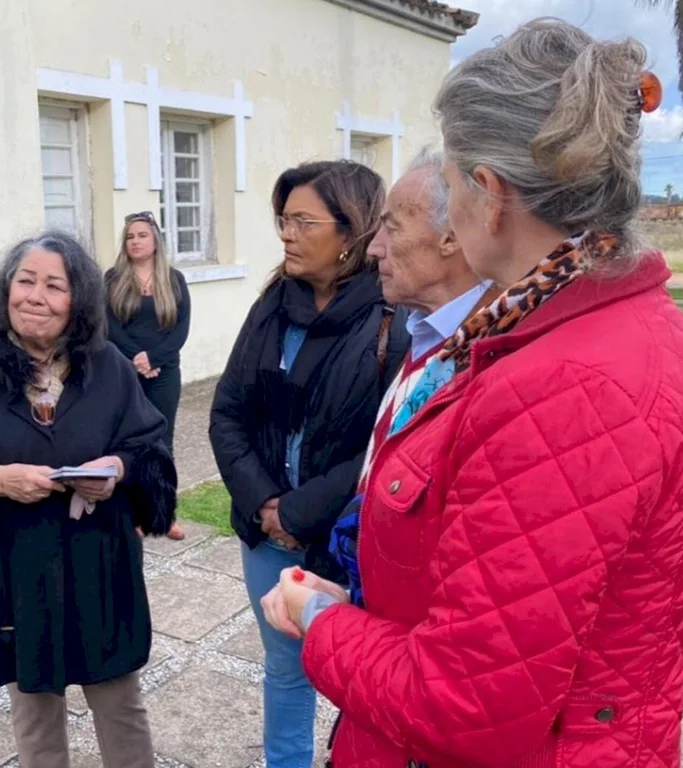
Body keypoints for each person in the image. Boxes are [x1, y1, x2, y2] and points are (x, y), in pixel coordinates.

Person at [265, 19, 683, 768]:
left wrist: (321, 621)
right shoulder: (595, 323)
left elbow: (464, 705)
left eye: (453, 180)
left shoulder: (566, 386)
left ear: (490, 195)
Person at [0, 230, 176, 768]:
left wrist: (117, 471)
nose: (36, 295)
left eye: (54, 285)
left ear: (77, 300)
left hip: (100, 566)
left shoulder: (110, 367)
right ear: (5, 291)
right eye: (24, 281)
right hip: (13, 573)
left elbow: (151, 449)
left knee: (120, 705)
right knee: (34, 714)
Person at [209, 159, 409, 768]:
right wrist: (266, 506)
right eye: (283, 219)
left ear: (351, 232)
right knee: (286, 669)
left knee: (369, 673)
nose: (286, 234)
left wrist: (298, 510)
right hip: (265, 532)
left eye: (302, 221)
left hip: (346, 538)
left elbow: (385, 444)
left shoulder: (393, 317)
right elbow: (227, 413)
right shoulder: (273, 304)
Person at [325, 148, 496, 611]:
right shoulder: (427, 332)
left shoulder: (486, 354)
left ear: (451, 237)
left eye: (392, 227)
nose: (374, 246)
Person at [106, 210, 191, 540]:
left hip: (165, 373)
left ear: (155, 239)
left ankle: (163, 515)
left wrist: (154, 358)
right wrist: (135, 360)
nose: (135, 241)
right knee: (128, 442)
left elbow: (181, 329)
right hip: (124, 374)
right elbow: (108, 326)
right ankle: (134, 515)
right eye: (130, 236)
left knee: (162, 442)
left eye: (142, 235)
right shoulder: (113, 278)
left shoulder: (174, 279)